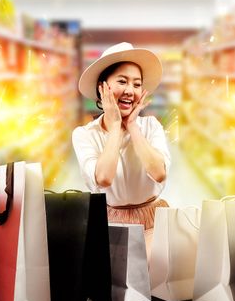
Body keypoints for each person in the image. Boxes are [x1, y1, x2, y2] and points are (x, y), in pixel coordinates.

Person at [72, 42, 171, 255]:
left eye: (137, 84)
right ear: (102, 87)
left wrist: (133, 126)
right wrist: (115, 125)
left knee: (152, 281)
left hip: (153, 220)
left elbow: (159, 173)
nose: (130, 91)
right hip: (109, 223)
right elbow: (104, 178)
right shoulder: (85, 135)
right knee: (115, 284)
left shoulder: (151, 126)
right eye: (122, 81)